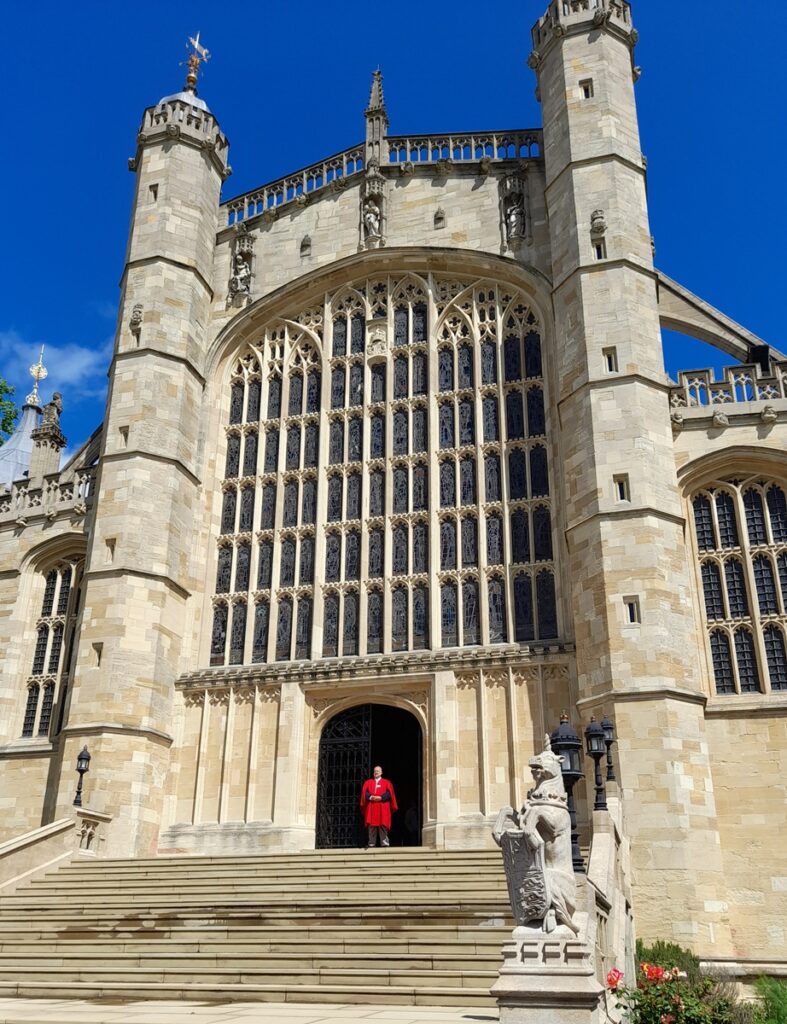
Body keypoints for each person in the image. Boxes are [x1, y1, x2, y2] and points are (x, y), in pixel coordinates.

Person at [360, 765, 397, 847]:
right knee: (371, 826)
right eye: (375, 771)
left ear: (381, 772)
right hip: (371, 807)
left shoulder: (387, 782)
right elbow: (364, 793)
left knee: (383, 825)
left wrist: (381, 797)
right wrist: (370, 797)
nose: (376, 772)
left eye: (378, 771)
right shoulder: (368, 782)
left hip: (382, 807)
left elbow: (389, 794)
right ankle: (371, 843)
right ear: (373, 773)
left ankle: (384, 843)